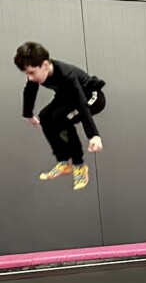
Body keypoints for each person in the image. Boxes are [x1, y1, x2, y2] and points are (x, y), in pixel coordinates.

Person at [14, 42, 106, 191]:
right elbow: (30, 90)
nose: (30, 77)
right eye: (26, 74)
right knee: (45, 117)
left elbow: (82, 104)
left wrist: (93, 135)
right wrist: (28, 113)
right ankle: (63, 161)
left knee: (61, 119)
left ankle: (79, 165)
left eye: (31, 73)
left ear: (45, 65)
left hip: (91, 96)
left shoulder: (66, 75)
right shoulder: (36, 74)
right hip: (66, 96)